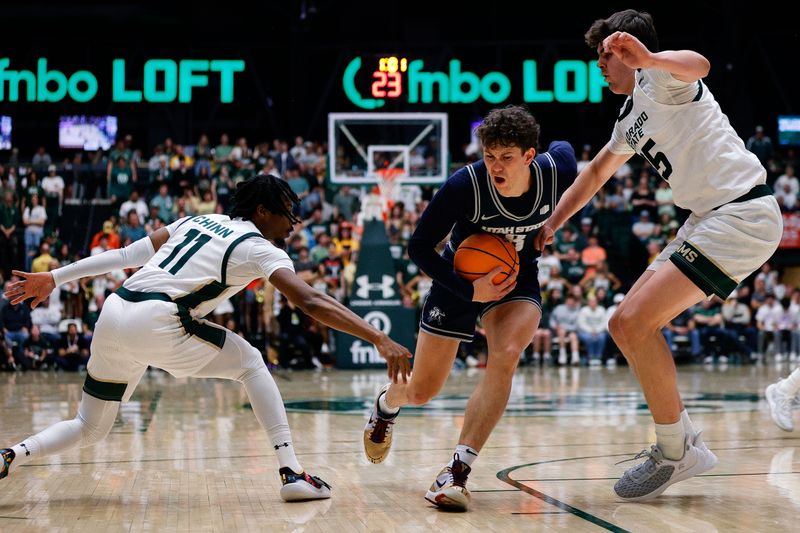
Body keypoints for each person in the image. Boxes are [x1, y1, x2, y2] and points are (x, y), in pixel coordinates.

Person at [1, 174, 412, 503]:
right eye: (289, 214)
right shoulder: (259, 247)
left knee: (88, 426)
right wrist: (378, 336)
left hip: (115, 311)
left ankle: (12, 455)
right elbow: (308, 299)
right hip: (159, 318)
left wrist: (54, 276)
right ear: (263, 211)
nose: (294, 224)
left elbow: (126, 256)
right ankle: (291, 472)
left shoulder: (196, 221)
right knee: (251, 363)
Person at [533, 9, 782, 501]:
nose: (601, 66)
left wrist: (649, 58)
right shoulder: (629, 116)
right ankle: (678, 443)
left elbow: (701, 64)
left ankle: (677, 449)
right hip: (706, 218)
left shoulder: (660, 80)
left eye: (608, 55)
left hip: (739, 214)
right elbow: (597, 171)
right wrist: (552, 224)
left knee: (634, 323)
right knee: (623, 324)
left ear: (632, 52)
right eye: (599, 58)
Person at [362, 105, 576, 511]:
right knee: (423, 390)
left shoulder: (556, 169)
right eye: (489, 155)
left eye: (507, 157)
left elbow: (566, 148)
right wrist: (466, 287)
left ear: (530, 155)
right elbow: (418, 247)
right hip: (459, 280)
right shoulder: (465, 185)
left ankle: (458, 470)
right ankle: (387, 404)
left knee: (507, 354)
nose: (496, 165)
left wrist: (554, 223)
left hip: (516, 278)